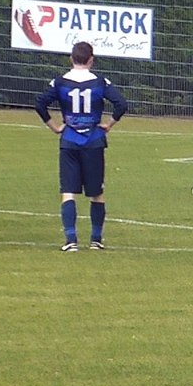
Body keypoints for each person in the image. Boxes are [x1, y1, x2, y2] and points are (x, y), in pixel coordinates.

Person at [34, 41, 129, 252]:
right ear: (91, 60)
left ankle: (71, 240)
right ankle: (96, 239)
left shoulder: (60, 82)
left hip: (69, 139)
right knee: (96, 192)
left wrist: (54, 126)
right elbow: (121, 104)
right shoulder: (100, 82)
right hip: (94, 140)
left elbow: (39, 104)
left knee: (68, 191)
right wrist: (109, 124)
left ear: (71, 59)